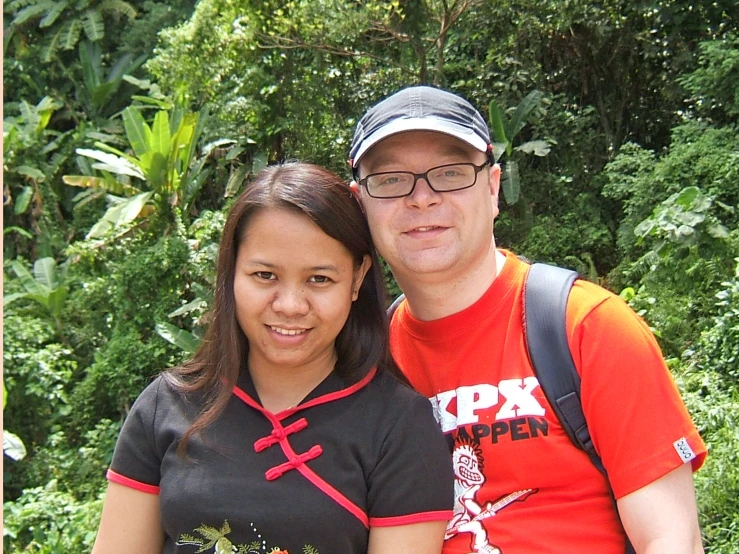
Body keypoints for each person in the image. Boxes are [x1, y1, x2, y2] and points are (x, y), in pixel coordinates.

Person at [348, 86, 707, 554]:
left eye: (451, 173)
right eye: (392, 180)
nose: (422, 198)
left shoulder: (587, 326)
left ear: (493, 187)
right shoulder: (365, 357)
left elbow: (670, 538)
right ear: (360, 203)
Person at [92, 162, 454, 554]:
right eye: (265, 275)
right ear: (232, 271)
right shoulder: (166, 407)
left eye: (319, 279)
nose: (290, 305)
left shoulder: (399, 427)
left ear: (357, 278)